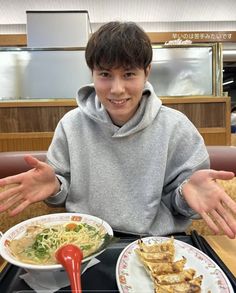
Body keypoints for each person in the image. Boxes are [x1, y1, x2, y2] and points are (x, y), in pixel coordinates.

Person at [0, 21, 236, 238]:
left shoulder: (176, 127)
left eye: (129, 74)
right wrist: (56, 186)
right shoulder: (71, 125)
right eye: (105, 75)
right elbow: (60, 191)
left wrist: (185, 193)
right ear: (92, 73)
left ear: (147, 72)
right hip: (85, 241)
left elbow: (180, 203)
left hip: (157, 243)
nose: (117, 89)